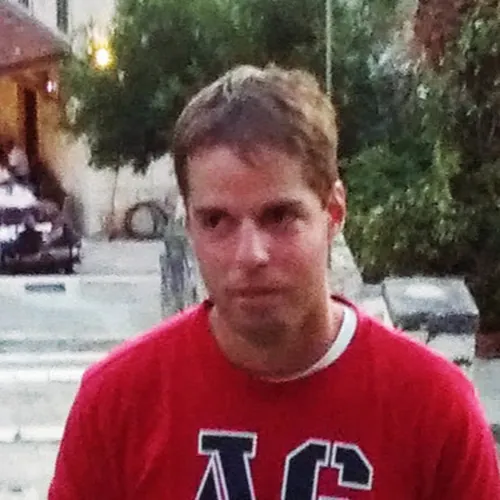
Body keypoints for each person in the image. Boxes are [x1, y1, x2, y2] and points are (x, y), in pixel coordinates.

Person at [49, 65, 500, 499]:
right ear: (189, 226)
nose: (250, 254)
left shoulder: (434, 407)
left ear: (333, 212)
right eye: (216, 221)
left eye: (280, 216)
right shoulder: (117, 402)